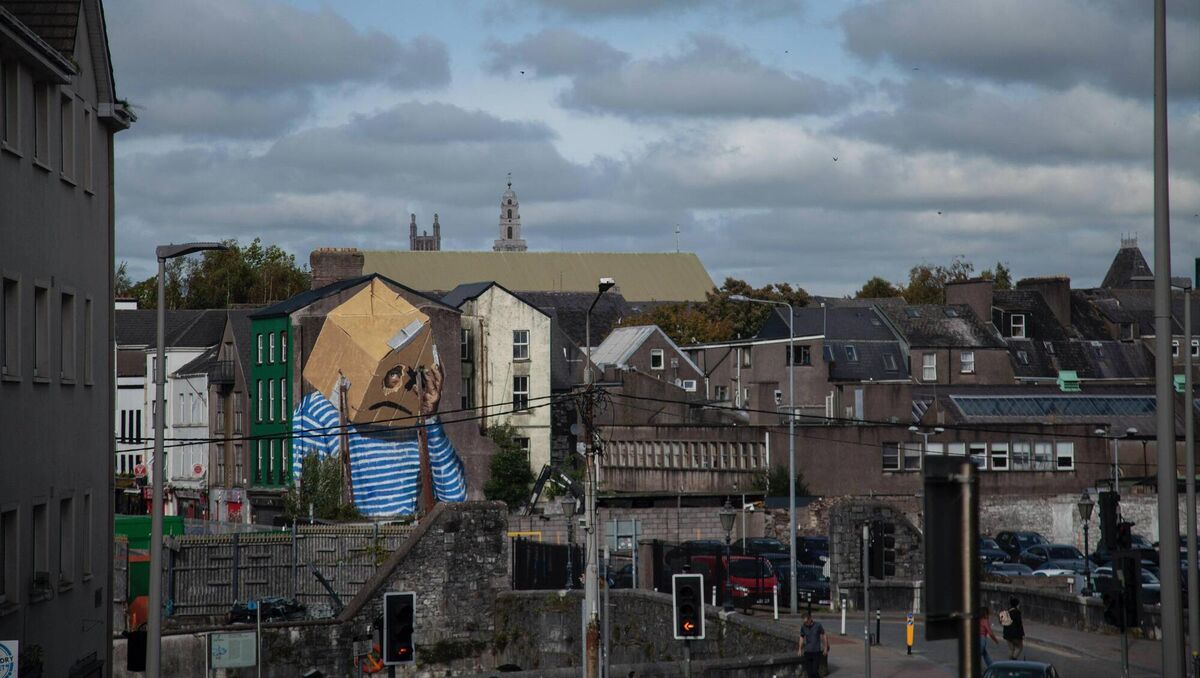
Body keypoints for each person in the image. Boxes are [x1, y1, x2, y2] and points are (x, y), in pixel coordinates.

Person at [798, 611, 829, 678]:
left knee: (815, 671)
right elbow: (801, 637)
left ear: (810, 619)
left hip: (816, 652)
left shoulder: (818, 625)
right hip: (807, 652)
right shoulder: (803, 627)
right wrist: (800, 649)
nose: (805, 623)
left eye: (806, 622)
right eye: (804, 622)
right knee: (809, 672)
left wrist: (825, 648)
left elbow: (824, 635)